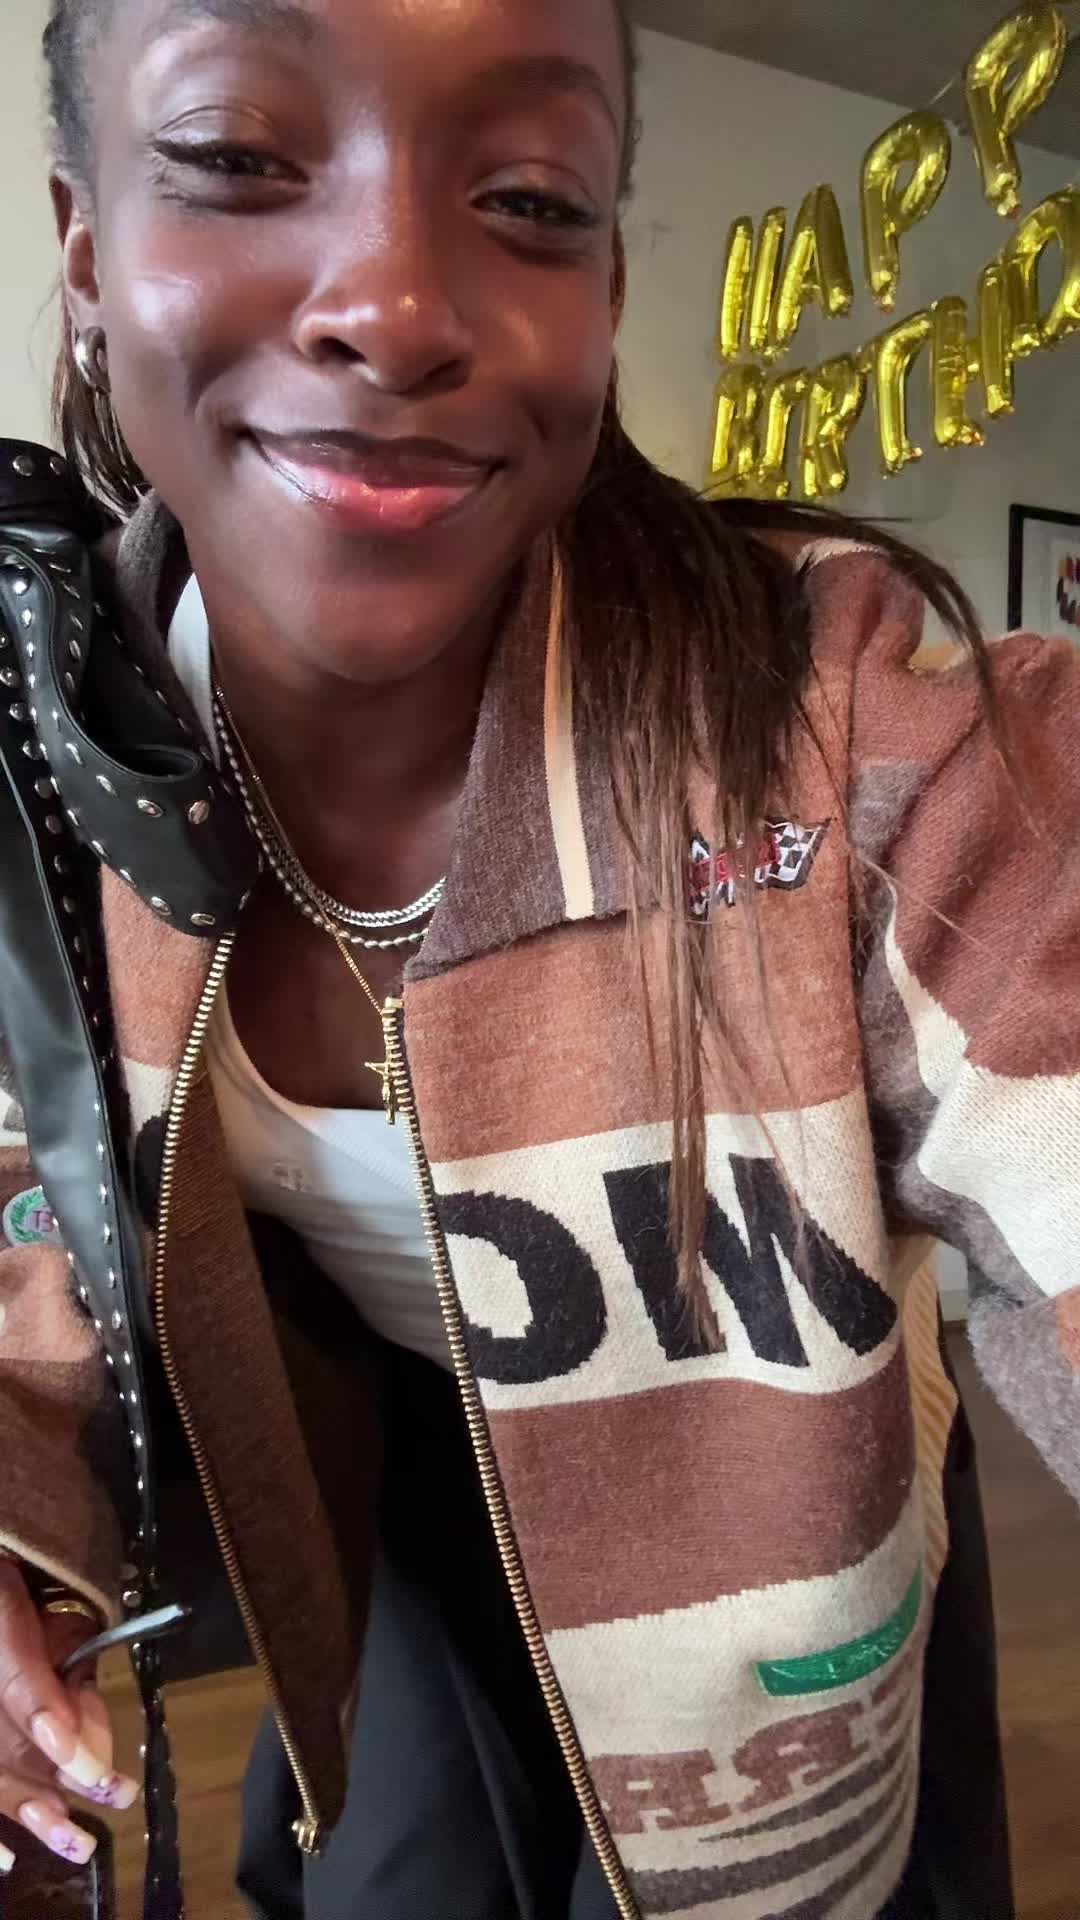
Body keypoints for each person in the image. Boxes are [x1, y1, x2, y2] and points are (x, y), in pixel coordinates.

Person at [0, 0, 1076, 1915]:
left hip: (791, 1495)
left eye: (529, 198)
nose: (398, 307)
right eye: (238, 160)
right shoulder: (53, 740)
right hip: (383, 1480)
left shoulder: (841, 725)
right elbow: (30, 1190)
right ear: (85, 246)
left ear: (603, 287)